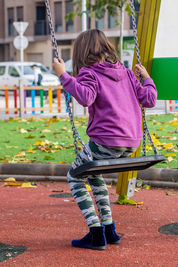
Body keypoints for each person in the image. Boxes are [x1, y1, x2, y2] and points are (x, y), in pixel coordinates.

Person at [52, 29, 157, 250]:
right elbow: (149, 99)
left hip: (106, 142)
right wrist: (146, 77)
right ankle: (109, 230)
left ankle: (96, 233)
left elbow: (85, 98)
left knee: (74, 176)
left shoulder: (90, 73)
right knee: (93, 174)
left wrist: (63, 75)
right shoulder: (128, 73)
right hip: (131, 143)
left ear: (81, 53)